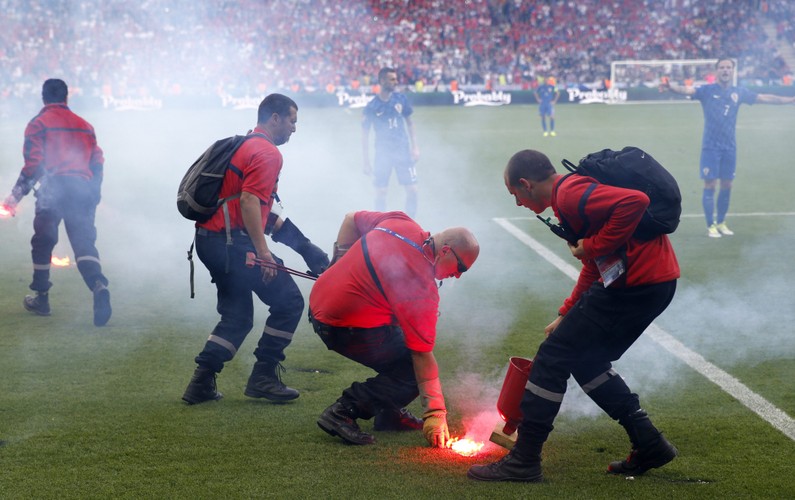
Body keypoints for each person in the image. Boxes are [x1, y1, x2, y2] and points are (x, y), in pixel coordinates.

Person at [468, 149, 680, 482]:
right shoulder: (568, 199)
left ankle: (524, 460)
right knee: (585, 360)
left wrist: (593, 245)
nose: (518, 204)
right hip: (649, 284)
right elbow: (595, 267)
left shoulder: (569, 194)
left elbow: (635, 202)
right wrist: (566, 313)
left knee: (552, 358)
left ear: (525, 184)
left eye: (515, 195)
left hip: (635, 285)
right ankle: (650, 443)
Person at [181, 93, 329, 405]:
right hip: (233, 245)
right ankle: (262, 377)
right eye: (292, 120)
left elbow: (261, 212)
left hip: (211, 241)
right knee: (288, 302)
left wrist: (304, 248)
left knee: (237, 317)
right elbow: (249, 203)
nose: (294, 128)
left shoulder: (245, 144)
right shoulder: (268, 152)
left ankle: (201, 383)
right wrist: (264, 255)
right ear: (274, 118)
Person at [308, 210, 479, 447]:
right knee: (411, 371)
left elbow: (350, 219)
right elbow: (422, 354)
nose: (458, 276)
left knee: (400, 351)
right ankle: (343, 410)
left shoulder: (400, 221)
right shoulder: (421, 288)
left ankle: (388, 412)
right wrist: (436, 413)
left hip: (319, 304)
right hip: (341, 327)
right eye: (461, 268)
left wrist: (338, 263)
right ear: (446, 251)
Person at [1, 79, 112, 327]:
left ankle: (42, 299)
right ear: (66, 97)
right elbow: (97, 161)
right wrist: (94, 192)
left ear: (43, 98)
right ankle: (98, 284)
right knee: (84, 243)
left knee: (43, 241)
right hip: (82, 189)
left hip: (53, 188)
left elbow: (33, 165)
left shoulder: (37, 124)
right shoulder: (85, 126)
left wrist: (15, 196)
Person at [660, 58, 795, 238]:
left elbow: (764, 97)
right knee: (710, 184)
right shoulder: (706, 91)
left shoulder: (739, 92)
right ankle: (711, 225)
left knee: (727, 184)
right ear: (716, 71)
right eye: (722, 67)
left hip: (730, 147)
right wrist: (671, 87)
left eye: (728, 67)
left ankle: (722, 222)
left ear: (733, 71)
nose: (725, 70)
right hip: (710, 147)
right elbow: (687, 90)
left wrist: (790, 100)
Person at [362, 68, 420, 218]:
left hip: (403, 151)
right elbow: (365, 134)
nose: (396, 82)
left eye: (396, 79)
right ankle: (381, 225)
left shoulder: (401, 99)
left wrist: (415, 147)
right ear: (382, 81)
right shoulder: (372, 106)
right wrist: (366, 161)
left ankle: (411, 222)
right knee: (381, 193)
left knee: (412, 190)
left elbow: (410, 123)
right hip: (383, 153)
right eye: (392, 79)